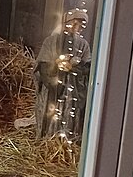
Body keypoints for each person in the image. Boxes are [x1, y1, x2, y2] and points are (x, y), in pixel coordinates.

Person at [34, 8, 92, 141]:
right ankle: (46, 139)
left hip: (72, 88)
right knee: (50, 113)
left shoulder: (83, 45)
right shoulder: (51, 41)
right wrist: (55, 65)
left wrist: (74, 67)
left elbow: (87, 67)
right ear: (66, 23)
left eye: (81, 25)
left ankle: (67, 141)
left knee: (69, 114)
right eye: (74, 23)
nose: (77, 28)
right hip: (53, 87)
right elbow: (42, 65)